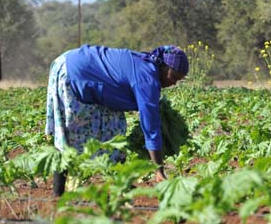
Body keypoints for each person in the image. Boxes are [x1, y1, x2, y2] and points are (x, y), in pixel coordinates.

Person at [45, 44, 189, 195]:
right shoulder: (147, 80)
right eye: (173, 77)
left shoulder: (148, 66)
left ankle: (120, 183)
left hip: (80, 65)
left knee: (115, 129)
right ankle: (58, 192)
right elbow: (151, 127)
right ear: (164, 67)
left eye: (178, 80)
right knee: (70, 132)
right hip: (74, 71)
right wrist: (158, 170)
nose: (173, 83)